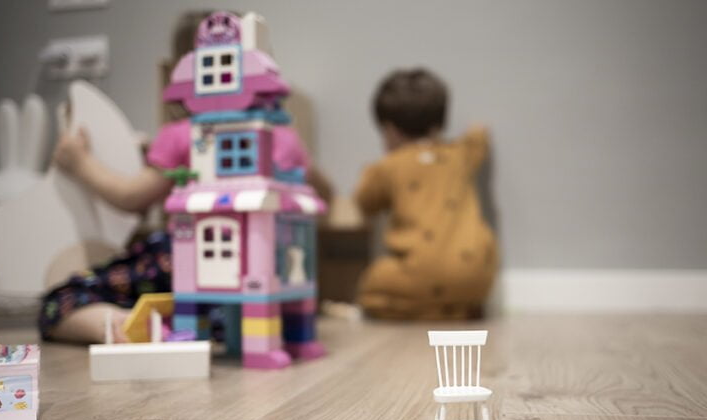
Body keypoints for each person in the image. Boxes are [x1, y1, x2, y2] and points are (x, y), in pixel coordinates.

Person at [40, 11, 331, 343]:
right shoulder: (285, 134)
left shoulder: (185, 134)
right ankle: (223, 326)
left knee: (58, 302)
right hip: (271, 268)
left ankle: (120, 324)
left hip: (188, 260)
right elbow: (326, 192)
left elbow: (130, 197)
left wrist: (80, 162)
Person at [354, 68, 497, 320]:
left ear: (390, 130)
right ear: (439, 123)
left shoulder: (389, 166)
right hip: (475, 273)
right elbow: (479, 136)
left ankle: (431, 310)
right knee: (464, 278)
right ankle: (457, 308)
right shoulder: (460, 154)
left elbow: (364, 202)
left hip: (420, 272)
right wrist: (477, 130)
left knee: (371, 285)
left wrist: (369, 172)